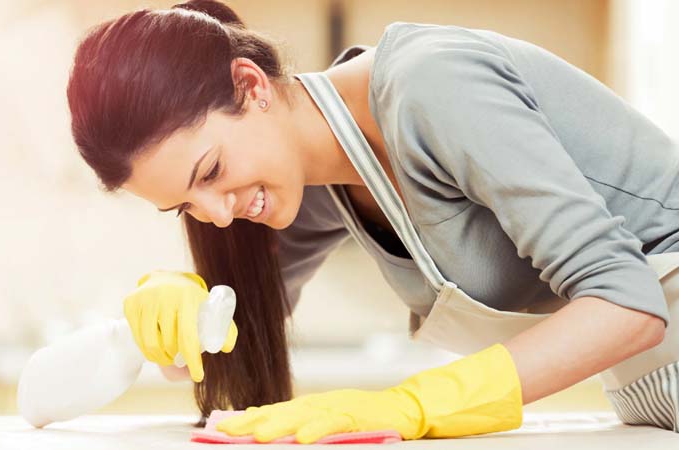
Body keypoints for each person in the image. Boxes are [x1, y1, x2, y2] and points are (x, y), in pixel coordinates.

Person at [66, 0, 679, 441]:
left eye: (211, 172)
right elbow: (227, 346)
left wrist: (410, 406)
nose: (218, 216)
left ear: (250, 85)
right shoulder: (314, 187)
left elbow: (627, 303)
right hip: (651, 401)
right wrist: (177, 310)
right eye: (186, 206)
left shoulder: (430, 85)